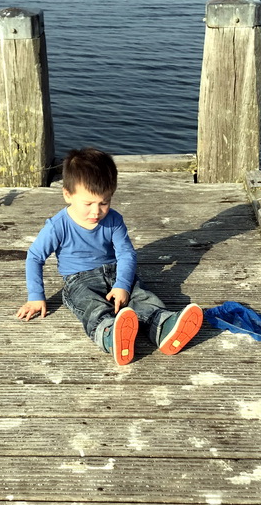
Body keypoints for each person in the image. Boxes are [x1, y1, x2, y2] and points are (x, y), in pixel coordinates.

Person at [16, 147, 203, 366]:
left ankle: (163, 325)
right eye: (88, 204)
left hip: (115, 272)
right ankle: (110, 334)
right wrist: (36, 296)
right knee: (91, 306)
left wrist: (123, 285)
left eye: (104, 202)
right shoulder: (58, 226)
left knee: (140, 295)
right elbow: (35, 256)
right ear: (68, 194)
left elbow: (126, 254)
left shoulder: (113, 220)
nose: (96, 212)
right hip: (79, 279)